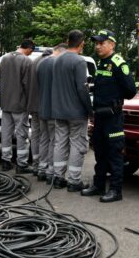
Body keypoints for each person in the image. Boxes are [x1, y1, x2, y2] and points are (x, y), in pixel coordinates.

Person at [81, 29, 137, 202]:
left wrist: (114, 97)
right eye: (96, 43)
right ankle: (98, 186)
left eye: (101, 43)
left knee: (114, 154)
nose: (98, 46)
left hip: (113, 118)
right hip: (100, 117)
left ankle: (115, 190)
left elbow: (131, 91)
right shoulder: (102, 63)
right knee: (100, 152)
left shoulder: (119, 64)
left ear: (111, 44)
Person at [51, 30, 92, 192]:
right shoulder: (79, 62)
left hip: (59, 111)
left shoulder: (57, 60)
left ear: (67, 41)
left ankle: (58, 178)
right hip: (76, 112)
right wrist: (90, 110)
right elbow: (82, 89)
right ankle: (74, 181)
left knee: (60, 143)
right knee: (77, 143)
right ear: (82, 43)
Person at [0, 39, 35, 173]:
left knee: (6, 133)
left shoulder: (5, 59)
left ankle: (6, 161)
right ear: (29, 49)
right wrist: (31, 105)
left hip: (5, 104)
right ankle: (22, 164)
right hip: (20, 105)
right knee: (22, 135)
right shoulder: (26, 61)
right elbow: (29, 85)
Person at [36, 43, 67, 182]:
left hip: (42, 108)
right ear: (62, 52)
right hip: (54, 110)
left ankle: (41, 169)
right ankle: (50, 171)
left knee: (44, 139)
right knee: (55, 142)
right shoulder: (58, 63)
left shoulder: (41, 63)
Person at [28, 48, 53, 175]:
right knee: (46, 137)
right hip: (44, 106)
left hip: (33, 105)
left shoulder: (34, 61)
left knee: (35, 135)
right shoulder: (50, 63)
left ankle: (36, 164)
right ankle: (45, 165)